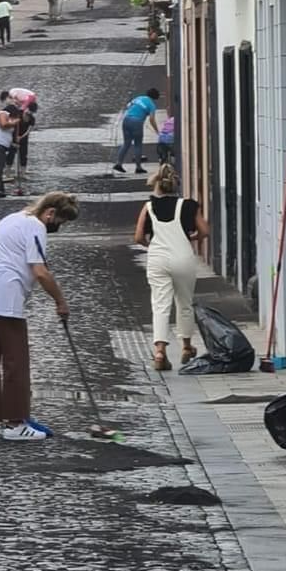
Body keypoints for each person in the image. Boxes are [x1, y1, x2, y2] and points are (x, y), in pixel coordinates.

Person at [0, 190, 79, 440]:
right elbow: (40, 271)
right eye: (60, 222)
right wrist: (60, 301)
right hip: (6, 296)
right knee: (15, 362)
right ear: (50, 213)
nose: (58, 228)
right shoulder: (36, 226)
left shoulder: (11, 219)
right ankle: (15, 423)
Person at [134, 163, 209, 371]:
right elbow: (204, 230)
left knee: (160, 304)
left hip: (158, 258)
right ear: (176, 184)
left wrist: (152, 246)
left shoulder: (148, 207)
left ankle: (160, 352)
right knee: (184, 302)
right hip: (182, 256)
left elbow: (138, 237)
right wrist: (192, 238)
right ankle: (186, 346)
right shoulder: (189, 205)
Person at [113, 87, 160, 175]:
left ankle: (118, 164)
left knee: (126, 143)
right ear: (155, 97)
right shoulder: (152, 105)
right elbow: (152, 119)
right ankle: (138, 167)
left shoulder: (138, 98)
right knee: (138, 145)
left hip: (126, 120)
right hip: (137, 122)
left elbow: (128, 106)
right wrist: (157, 131)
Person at [5, 101, 37, 178]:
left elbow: (28, 130)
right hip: (14, 137)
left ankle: (22, 174)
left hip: (24, 139)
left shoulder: (32, 119)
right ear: (27, 108)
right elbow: (10, 122)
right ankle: (7, 173)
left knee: (23, 156)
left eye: (31, 112)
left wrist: (21, 137)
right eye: (29, 111)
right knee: (11, 155)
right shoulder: (18, 113)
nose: (29, 113)